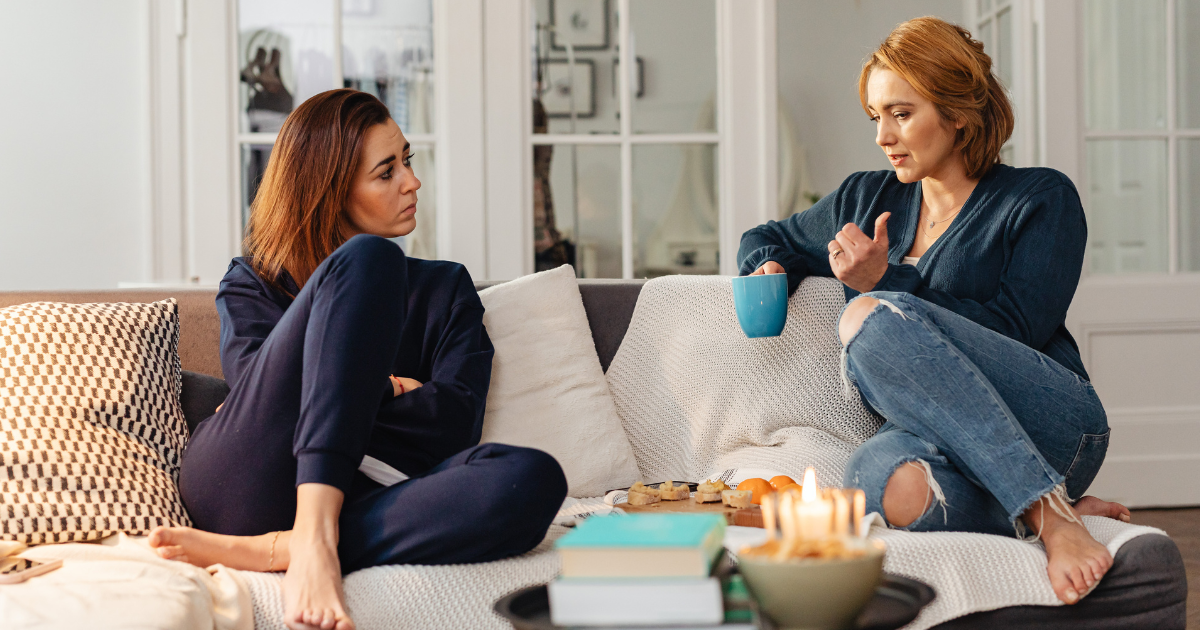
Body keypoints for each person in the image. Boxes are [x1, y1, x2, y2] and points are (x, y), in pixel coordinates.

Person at [737, 17, 1131, 606]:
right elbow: (765, 235)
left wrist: (887, 283)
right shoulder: (864, 197)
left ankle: (1053, 517)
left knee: (867, 317)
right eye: (876, 117)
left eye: (901, 113)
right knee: (877, 483)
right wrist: (769, 264)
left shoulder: (1040, 198)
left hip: (1052, 422)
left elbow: (1016, 331)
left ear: (958, 113)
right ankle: (1037, 506)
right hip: (935, 441)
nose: (882, 136)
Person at [148, 89, 568, 630]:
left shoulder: (445, 287)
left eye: (408, 161)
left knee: (532, 478)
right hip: (246, 480)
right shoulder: (254, 280)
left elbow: (454, 426)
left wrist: (339, 391)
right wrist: (389, 388)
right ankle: (316, 538)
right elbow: (266, 401)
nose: (412, 182)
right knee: (370, 259)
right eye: (386, 171)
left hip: (366, 497)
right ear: (329, 191)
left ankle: (284, 547)